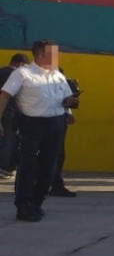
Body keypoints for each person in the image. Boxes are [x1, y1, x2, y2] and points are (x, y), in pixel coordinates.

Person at [0, 40, 78, 222]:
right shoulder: (23, 74)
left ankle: (37, 202)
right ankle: (24, 205)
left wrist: (69, 109)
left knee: (49, 166)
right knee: (28, 165)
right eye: (53, 53)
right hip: (32, 124)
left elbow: (66, 96)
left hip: (56, 124)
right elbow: (4, 96)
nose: (57, 57)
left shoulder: (57, 75)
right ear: (41, 54)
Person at [48, 67, 79, 198]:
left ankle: (55, 184)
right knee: (51, 154)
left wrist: (69, 111)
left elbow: (64, 100)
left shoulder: (61, 85)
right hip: (47, 121)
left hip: (60, 119)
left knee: (59, 154)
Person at [0, 53, 29, 179]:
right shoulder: (15, 75)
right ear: (21, 64)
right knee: (10, 140)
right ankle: (4, 167)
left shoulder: (1, 72)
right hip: (10, 111)